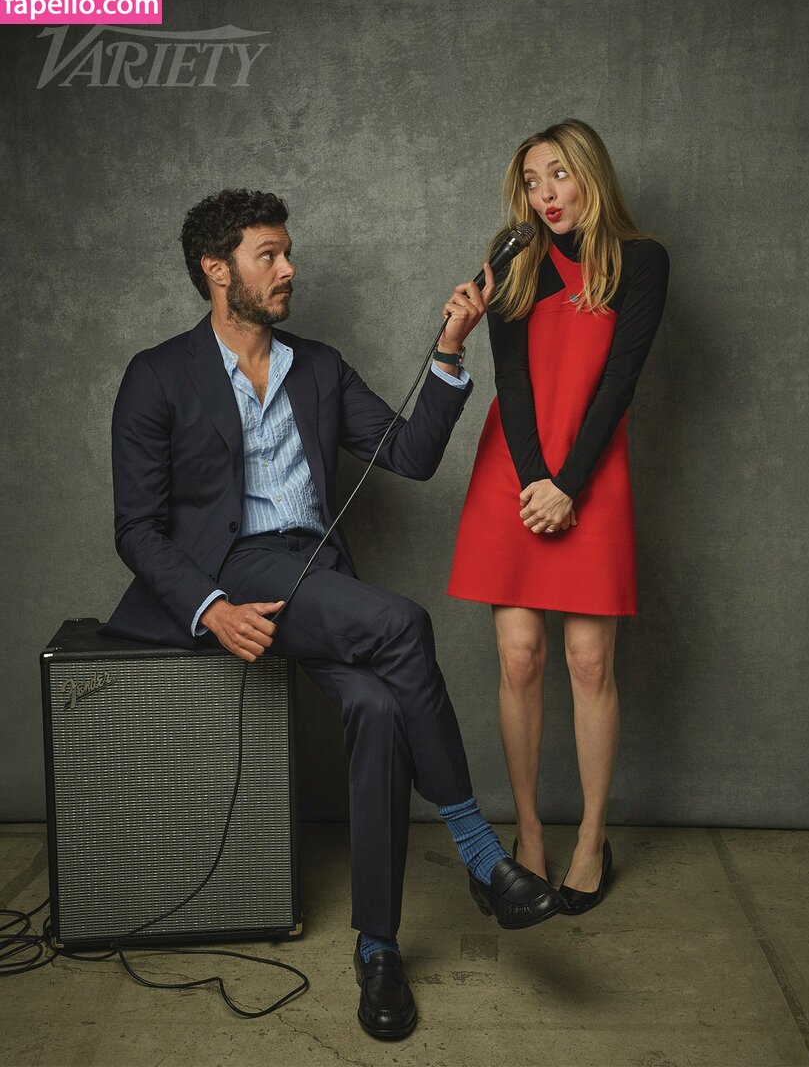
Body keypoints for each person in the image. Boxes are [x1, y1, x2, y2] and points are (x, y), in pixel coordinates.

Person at [105, 189, 564, 1040]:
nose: (289, 268)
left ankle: (378, 947)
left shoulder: (316, 366)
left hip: (318, 578)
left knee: (380, 710)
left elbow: (413, 456)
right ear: (217, 271)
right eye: (269, 255)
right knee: (403, 623)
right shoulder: (157, 374)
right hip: (233, 573)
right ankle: (479, 852)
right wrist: (211, 609)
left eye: (288, 252)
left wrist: (451, 348)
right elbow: (136, 527)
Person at [448, 120, 670, 916]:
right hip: (515, 471)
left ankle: (591, 840)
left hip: (592, 474)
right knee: (518, 659)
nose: (544, 194)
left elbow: (620, 383)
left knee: (587, 663)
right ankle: (531, 833)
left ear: (591, 175)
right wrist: (537, 480)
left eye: (558, 175)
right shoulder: (515, 258)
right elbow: (509, 380)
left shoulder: (642, 262)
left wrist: (570, 485)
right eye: (531, 181)